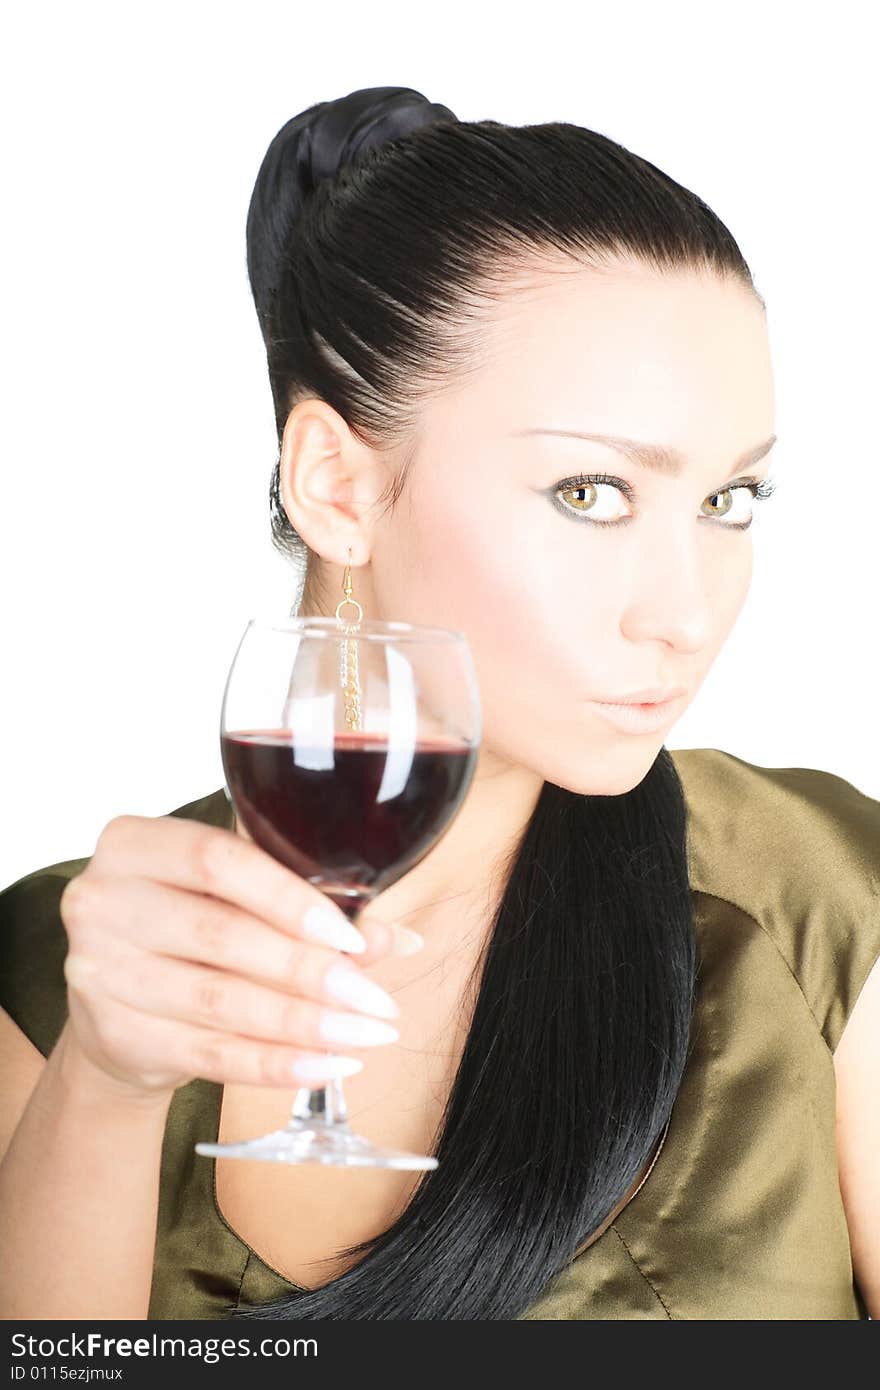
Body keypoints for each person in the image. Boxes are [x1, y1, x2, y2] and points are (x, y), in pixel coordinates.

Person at [1, 85, 878, 1322]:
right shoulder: (67, 968)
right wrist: (105, 1081)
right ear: (336, 485)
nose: (684, 610)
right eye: (591, 491)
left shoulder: (816, 897)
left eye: (729, 501)